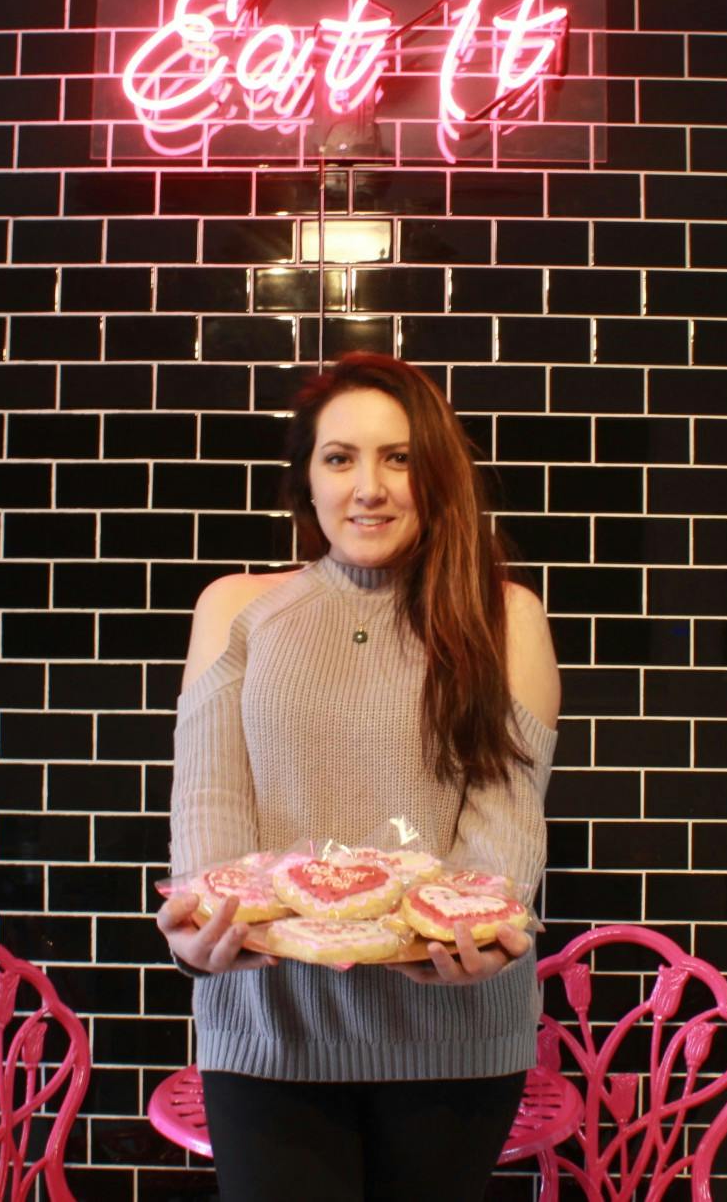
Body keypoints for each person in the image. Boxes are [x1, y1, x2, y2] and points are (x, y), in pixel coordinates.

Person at [155, 353, 561, 1200]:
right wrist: (201, 931)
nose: (368, 486)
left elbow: (503, 833)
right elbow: (210, 805)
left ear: (437, 475)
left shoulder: (506, 617)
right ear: (307, 480)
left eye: (399, 457)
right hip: (268, 1033)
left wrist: (482, 930)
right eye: (340, 458)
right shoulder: (235, 607)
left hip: (455, 1040)